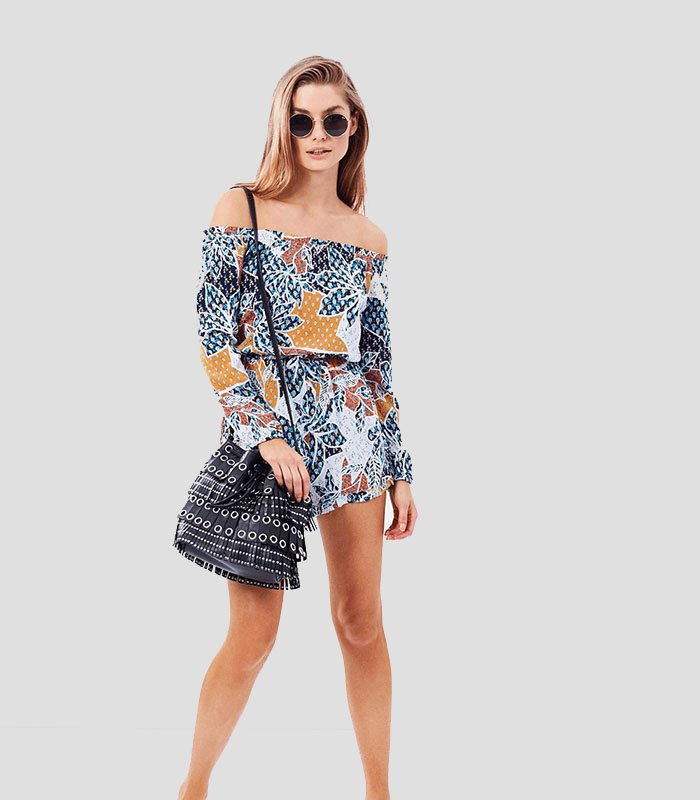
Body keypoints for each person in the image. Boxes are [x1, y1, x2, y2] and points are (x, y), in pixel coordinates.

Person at [178, 55, 418, 800]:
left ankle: (379, 793)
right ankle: (192, 788)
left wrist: (400, 467)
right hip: (269, 445)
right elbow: (215, 332)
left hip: (354, 442)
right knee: (253, 640)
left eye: (332, 120)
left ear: (353, 129)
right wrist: (263, 431)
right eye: (302, 119)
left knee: (360, 625)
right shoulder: (240, 208)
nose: (317, 133)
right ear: (283, 126)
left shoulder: (368, 237)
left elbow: (375, 361)